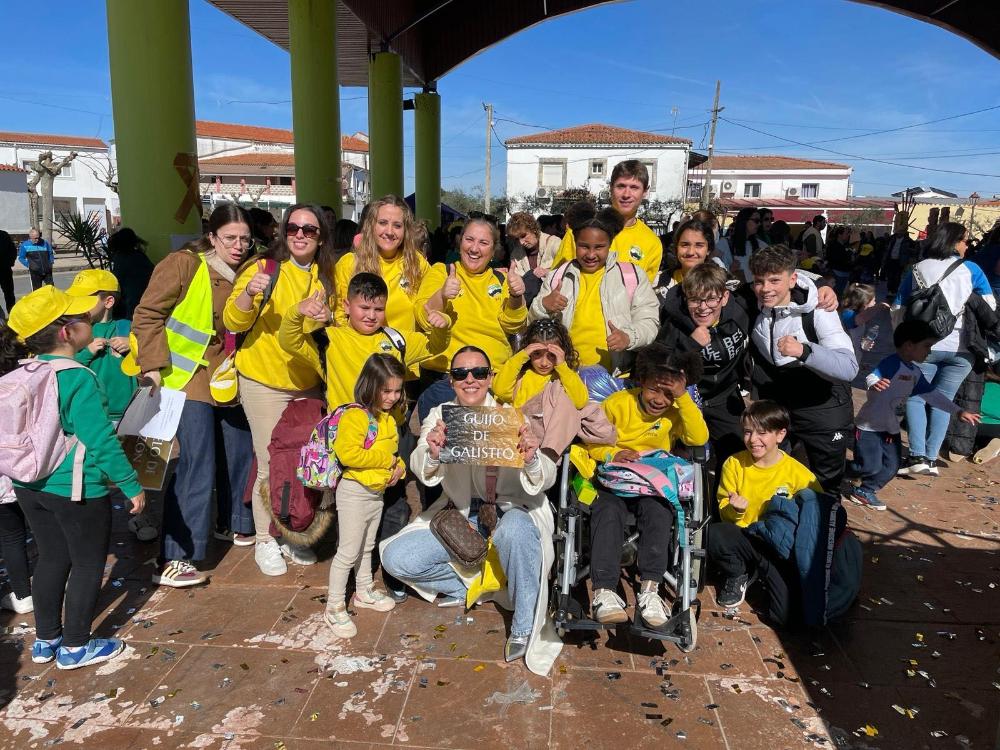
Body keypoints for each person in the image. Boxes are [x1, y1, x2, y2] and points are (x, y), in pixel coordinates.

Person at [380, 347, 560, 673]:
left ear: (490, 378)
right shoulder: (442, 415)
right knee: (396, 558)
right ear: (451, 380)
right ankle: (482, 586)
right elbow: (419, 463)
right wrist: (433, 452)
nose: (470, 379)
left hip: (510, 509)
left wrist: (532, 458)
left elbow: (547, 477)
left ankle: (523, 624)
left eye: (478, 372)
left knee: (514, 530)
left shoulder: (510, 416)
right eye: (461, 373)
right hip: (463, 515)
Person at [2, 285, 145, 669]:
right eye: (81, 316)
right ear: (67, 332)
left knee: (51, 557)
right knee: (87, 562)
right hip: (76, 487)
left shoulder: (27, 370)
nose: (89, 319)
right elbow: (100, 439)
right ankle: (77, 646)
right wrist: (130, 484)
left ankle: (46, 639)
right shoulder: (79, 378)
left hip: (29, 486)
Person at [132, 204, 258, 586]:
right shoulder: (184, 264)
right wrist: (152, 365)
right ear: (212, 236)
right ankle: (174, 556)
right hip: (185, 378)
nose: (238, 245)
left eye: (245, 238)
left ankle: (233, 522)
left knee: (239, 452)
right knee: (196, 463)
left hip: (228, 379)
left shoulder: (250, 272)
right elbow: (147, 314)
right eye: (230, 237)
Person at [223, 203, 335, 576]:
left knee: (306, 461)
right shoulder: (263, 269)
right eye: (293, 228)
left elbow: (334, 327)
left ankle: (290, 531)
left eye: (309, 230)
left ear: (321, 238)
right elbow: (233, 320)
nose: (300, 235)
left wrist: (329, 318)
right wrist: (247, 293)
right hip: (263, 379)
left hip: (308, 383)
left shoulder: (328, 278)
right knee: (270, 462)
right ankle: (265, 539)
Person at [580, 344, 709, 626]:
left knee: (659, 513)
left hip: (653, 485)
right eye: (654, 390)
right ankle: (604, 591)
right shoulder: (617, 404)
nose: (660, 400)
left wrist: (682, 398)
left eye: (668, 393)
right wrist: (613, 453)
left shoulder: (676, 412)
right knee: (606, 511)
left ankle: (650, 589)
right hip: (615, 481)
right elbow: (591, 444)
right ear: (641, 381)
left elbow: (699, 439)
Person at [749, 245, 858, 490]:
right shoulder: (754, 304)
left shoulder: (819, 309)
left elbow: (849, 367)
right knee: (776, 485)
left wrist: (804, 351)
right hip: (781, 412)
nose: (766, 288)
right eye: (759, 281)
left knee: (824, 488)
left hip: (824, 411)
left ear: (792, 280)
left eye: (774, 280)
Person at [893, 222, 996, 476]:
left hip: (924, 346)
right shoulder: (972, 269)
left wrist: (903, 340)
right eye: (964, 241)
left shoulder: (918, 268)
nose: (967, 246)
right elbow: (990, 306)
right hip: (963, 348)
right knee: (943, 401)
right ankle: (930, 459)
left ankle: (917, 455)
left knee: (917, 398)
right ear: (954, 241)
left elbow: (898, 307)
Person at [707, 401, 821, 623]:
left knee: (785, 617)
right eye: (748, 432)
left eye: (762, 433)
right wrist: (735, 509)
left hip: (776, 546)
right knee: (715, 534)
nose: (753, 439)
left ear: (780, 435)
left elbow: (816, 513)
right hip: (744, 536)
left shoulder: (799, 474)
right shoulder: (734, 464)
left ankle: (768, 576)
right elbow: (724, 513)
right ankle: (737, 571)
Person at [849, 320, 980, 510]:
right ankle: (838, 471)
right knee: (869, 466)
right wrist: (874, 384)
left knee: (892, 466)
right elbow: (873, 376)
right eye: (926, 346)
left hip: (890, 429)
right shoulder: (892, 363)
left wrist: (958, 411)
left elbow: (933, 395)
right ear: (909, 345)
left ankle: (865, 491)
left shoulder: (915, 372)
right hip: (869, 427)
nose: (929, 351)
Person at [280, 272, 449, 414]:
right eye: (365, 308)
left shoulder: (396, 340)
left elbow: (434, 346)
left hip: (388, 433)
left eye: (379, 309)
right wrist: (296, 312)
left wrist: (442, 326)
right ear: (347, 306)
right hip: (345, 432)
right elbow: (290, 342)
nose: (371, 316)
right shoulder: (328, 339)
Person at [324, 354, 407, 638]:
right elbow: (349, 454)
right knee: (348, 552)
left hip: (375, 492)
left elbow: (393, 454)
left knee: (367, 546)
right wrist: (388, 461)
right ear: (371, 386)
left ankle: (363, 590)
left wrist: (399, 467)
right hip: (354, 491)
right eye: (386, 391)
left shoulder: (387, 419)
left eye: (397, 391)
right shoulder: (356, 416)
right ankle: (334, 605)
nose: (392, 397)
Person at [415, 218, 527, 417]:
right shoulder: (441, 272)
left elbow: (514, 325)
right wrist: (442, 295)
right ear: (460, 242)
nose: (474, 248)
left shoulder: (502, 279)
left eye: (483, 243)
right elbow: (424, 318)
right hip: (448, 378)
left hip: (492, 378)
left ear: (494, 251)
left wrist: (516, 296)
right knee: (444, 434)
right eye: (469, 239)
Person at [530, 208, 660, 380]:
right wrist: (543, 306)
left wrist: (629, 337)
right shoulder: (557, 277)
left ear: (610, 244)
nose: (591, 254)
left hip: (616, 380)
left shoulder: (631, 276)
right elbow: (532, 325)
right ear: (575, 243)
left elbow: (649, 321)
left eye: (599, 247)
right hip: (566, 378)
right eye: (584, 246)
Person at [657, 263, 750, 465]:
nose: (703, 307)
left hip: (724, 398)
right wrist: (690, 345)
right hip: (683, 402)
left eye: (711, 299)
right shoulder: (674, 325)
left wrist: (820, 285)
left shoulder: (739, 312)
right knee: (684, 464)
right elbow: (657, 367)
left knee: (735, 458)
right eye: (695, 300)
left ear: (724, 297)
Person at [550, 161, 663, 283]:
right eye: (621, 186)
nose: (626, 194)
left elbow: (643, 290)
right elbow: (557, 279)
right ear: (611, 188)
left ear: (645, 191)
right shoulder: (582, 228)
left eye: (634, 187)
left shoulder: (652, 242)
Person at [493, 318, 588, 411]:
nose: (544, 363)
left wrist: (562, 366)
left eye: (552, 355)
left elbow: (580, 402)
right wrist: (521, 356)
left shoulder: (565, 377)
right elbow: (500, 390)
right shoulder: (520, 376)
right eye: (537, 353)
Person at [107, 228, 155, 320]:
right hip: (149, 297)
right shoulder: (141, 256)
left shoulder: (120, 258)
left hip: (132, 302)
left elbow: (116, 281)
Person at [506, 212, 561, 280]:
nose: (521, 242)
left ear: (533, 229)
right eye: (517, 239)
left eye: (523, 236)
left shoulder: (554, 243)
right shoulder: (516, 254)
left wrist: (547, 272)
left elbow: (567, 270)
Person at [727, 207, 767, 284]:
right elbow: (713, 271)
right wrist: (729, 270)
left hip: (756, 288)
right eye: (756, 221)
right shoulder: (725, 243)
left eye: (760, 221)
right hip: (736, 289)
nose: (759, 224)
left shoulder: (762, 245)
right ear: (744, 221)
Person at [882, 224, 917, 298]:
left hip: (900, 261)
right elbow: (887, 247)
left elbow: (914, 249)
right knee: (890, 276)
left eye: (902, 231)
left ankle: (894, 291)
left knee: (897, 277)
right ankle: (890, 290)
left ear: (904, 232)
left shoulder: (907, 241)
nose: (900, 232)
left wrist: (908, 254)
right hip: (891, 259)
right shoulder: (892, 239)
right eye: (899, 230)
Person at [825, 226, 853, 295]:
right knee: (836, 294)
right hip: (837, 274)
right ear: (839, 235)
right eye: (846, 233)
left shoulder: (846, 245)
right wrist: (849, 258)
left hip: (845, 273)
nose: (848, 235)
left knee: (843, 295)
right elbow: (834, 259)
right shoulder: (833, 246)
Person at [0, 228, 16, 314]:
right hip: (5, 269)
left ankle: (12, 314)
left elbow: (13, 250)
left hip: (5, 270)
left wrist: (10, 262)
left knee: (9, 294)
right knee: (9, 294)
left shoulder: (4, 235)